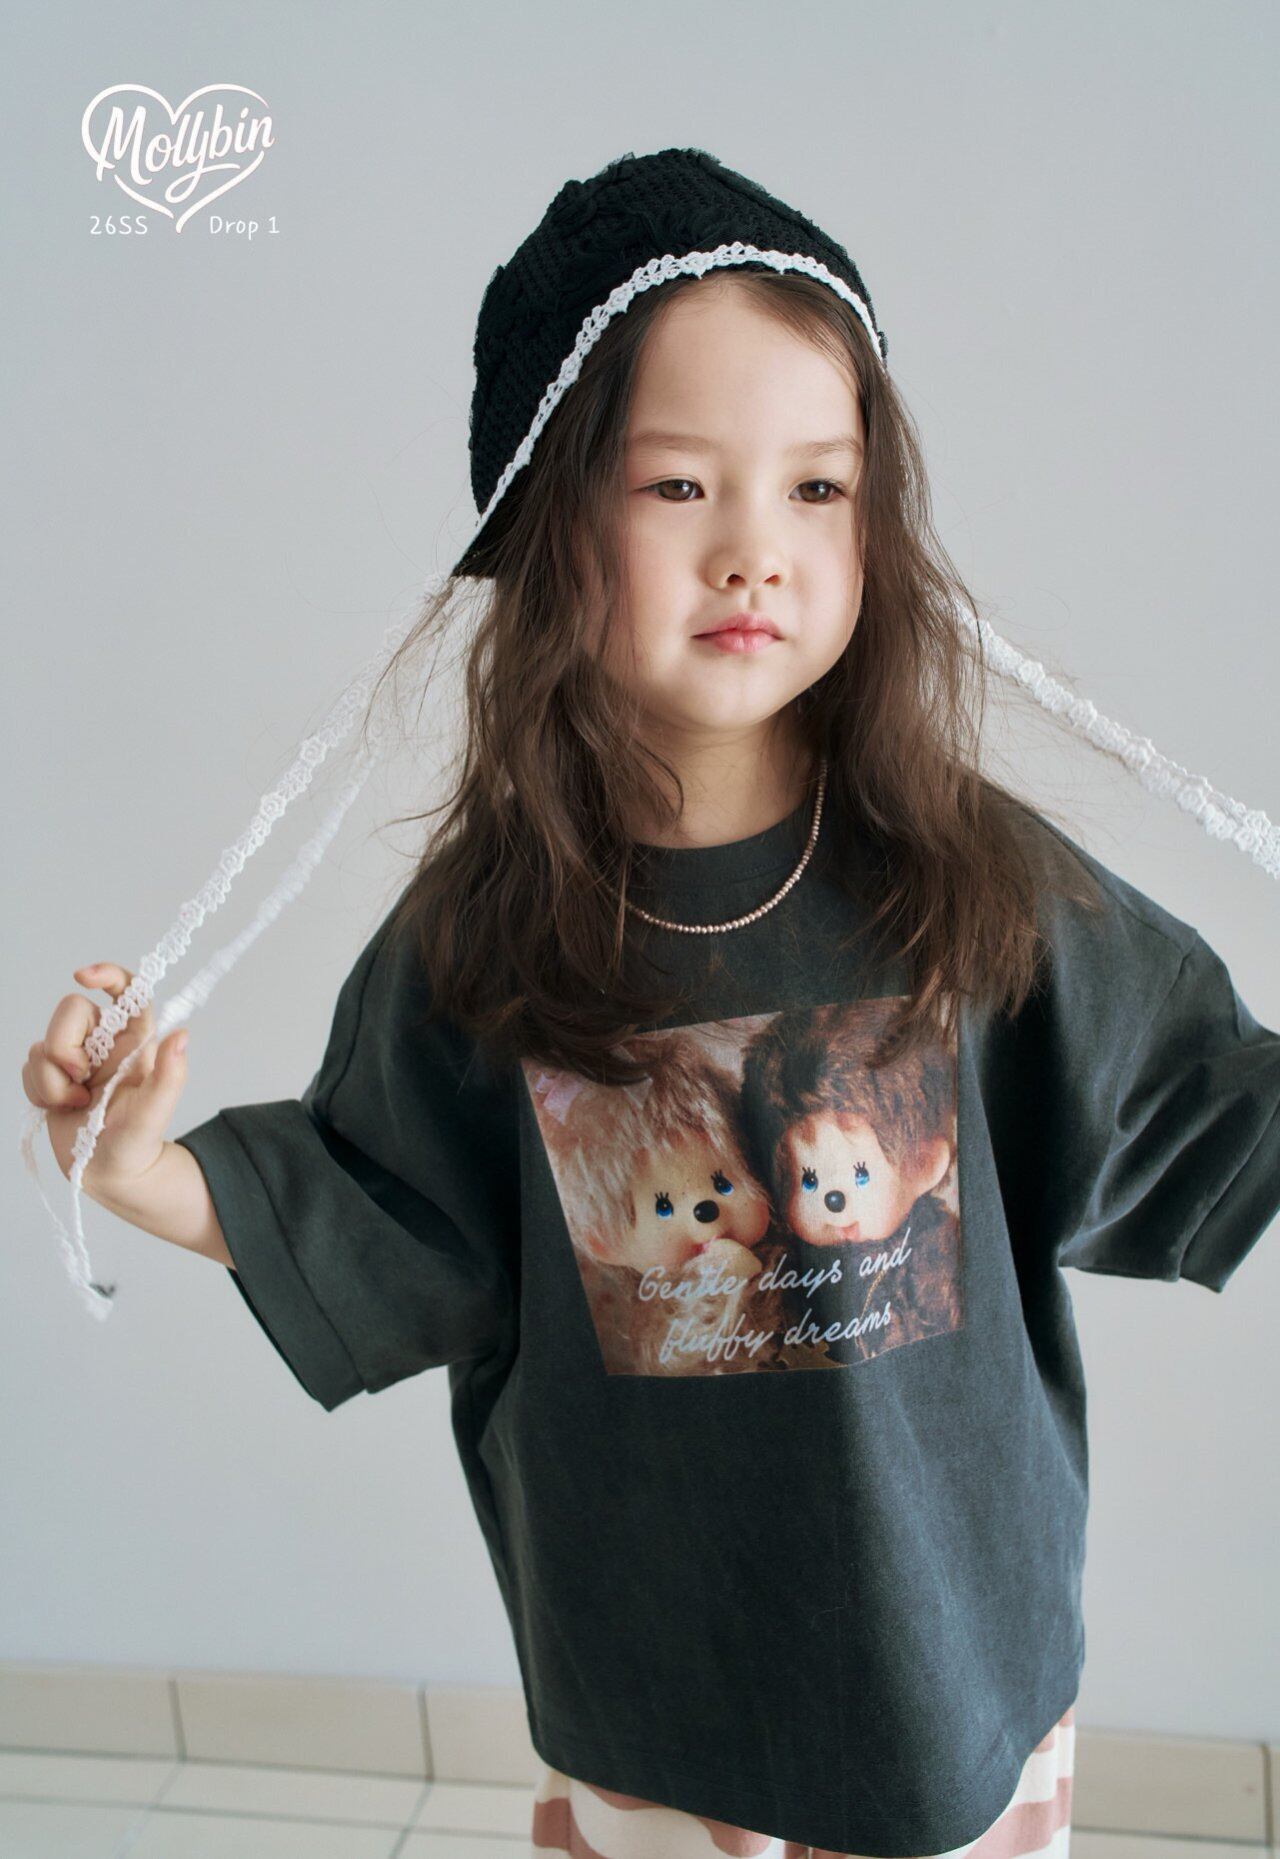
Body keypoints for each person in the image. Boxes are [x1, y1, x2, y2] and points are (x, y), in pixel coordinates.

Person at [21, 147, 1280, 1859]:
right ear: (546, 521)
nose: (756, 551)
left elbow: (1204, 1106)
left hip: (957, 1676)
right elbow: (381, 1215)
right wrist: (130, 1166)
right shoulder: (491, 932)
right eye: (680, 486)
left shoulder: (967, 882)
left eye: (819, 489)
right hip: (658, 1695)